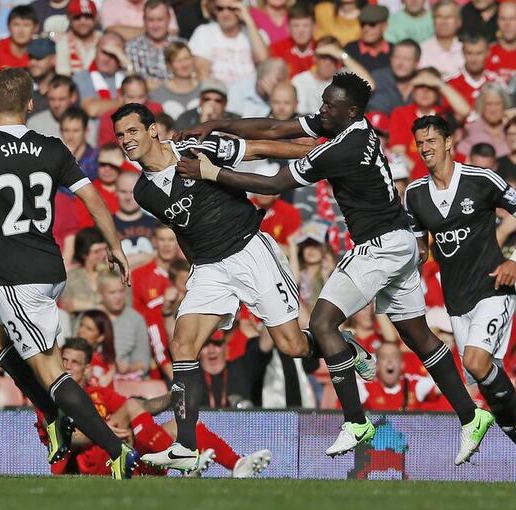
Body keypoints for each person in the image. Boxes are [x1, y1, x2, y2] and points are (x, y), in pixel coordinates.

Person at [175, 73, 492, 465]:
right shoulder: (349, 126)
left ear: (351, 111)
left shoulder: (342, 148)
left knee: (323, 324)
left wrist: (212, 173)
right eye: (323, 102)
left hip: (380, 247)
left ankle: (356, 421)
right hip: (401, 242)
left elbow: (274, 184)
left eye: (329, 105)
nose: (322, 109)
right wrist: (216, 124)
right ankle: (471, 414)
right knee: (418, 336)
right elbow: (277, 126)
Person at [0, 67, 137, 478]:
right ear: (31, 105)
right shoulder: (52, 147)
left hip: (19, 277)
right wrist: (115, 245)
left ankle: (115, 449)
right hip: (48, 266)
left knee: (50, 369)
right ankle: (52, 415)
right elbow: (91, 196)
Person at [111, 103, 349, 471]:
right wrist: (196, 270)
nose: (126, 140)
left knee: (293, 344)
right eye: (120, 135)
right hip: (209, 267)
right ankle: (186, 447)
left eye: (132, 131)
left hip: (249, 250)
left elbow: (257, 148)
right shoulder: (143, 192)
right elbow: (182, 230)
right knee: (183, 343)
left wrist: (321, 154)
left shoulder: (194, 146)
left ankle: (344, 347)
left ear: (152, 129)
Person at [404, 114, 516, 482]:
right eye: (420, 143)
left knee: (475, 362)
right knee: (487, 384)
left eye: (431, 141)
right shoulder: (414, 194)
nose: (425, 148)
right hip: (456, 300)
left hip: (493, 287)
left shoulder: (481, 180)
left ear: (448, 142)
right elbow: (422, 245)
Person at [37, 338, 272, 477]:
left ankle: (237, 464)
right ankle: (184, 462)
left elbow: (142, 406)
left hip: (121, 456)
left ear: (87, 368)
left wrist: (171, 396)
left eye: (75, 362)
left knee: (186, 425)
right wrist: (102, 431)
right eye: (64, 360)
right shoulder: (49, 398)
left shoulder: (97, 393)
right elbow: (61, 440)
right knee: (129, 409)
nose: (67, 367)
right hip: (82, 465)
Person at [131, 224, 179, 380]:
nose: (166, 245)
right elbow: (138, 316)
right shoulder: (139, 275)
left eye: (171, 240)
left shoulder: (187, 271)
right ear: (154, 242)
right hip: (153, 347)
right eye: (162, 239)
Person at [187, 0, 268, 86]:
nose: (225, 14)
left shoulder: (255, 34)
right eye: (220, 8)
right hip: (217, 95)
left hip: (249, 96)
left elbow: (263, 60)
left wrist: (248, 20)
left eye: (231, 8)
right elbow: (202, 73)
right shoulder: (204, 32)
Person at [98, 271, 152, 379]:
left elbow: (144, 361)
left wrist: (129, 367)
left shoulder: (136, 319)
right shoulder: (92, 317)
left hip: (125, 379)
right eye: (112, 292)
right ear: (101, 293)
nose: (118, 297)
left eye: (121, 291)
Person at [124, 0, 183, 81]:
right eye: (151, 20)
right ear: (144, 20)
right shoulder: (132, 48)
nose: (155, 26)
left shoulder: (182, 46)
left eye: (160, 20)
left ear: (169, 19)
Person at [113, 172, 159, 267]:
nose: (128, 197)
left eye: (132, 192)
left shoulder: (157, 224)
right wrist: (145, 257)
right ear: (115, 192)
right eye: (123, 192)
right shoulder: (106, 225)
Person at [149, 42, 201, 121]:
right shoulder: (157, 95)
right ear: (169, 65)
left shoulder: (205, 90)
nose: (184, 65)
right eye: (178, 61)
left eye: (186, 58)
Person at [367, 39, 420, 114]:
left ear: (416, 63)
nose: (400, 63)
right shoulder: (376, 78)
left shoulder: (423, 84)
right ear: (391, 59)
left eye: (406, 59)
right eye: (396, 57)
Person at [0, 5, 38, 77]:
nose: (21, 31)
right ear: (8, 26)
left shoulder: (43, 53)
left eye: (26, 25)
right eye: (16, 25)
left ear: (35, 28)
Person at [418, 0, 464, 80]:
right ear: (433, 20)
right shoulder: (421, 49)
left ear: (459, 22)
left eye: (448, 17)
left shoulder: (467, 49)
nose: (444, 22)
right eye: (439, 17)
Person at [486, 1, 516, 84]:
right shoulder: (486, 53)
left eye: (512, 19)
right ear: (497, 21)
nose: (507, 24)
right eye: (503, 19)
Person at [269, 3, 316, 78]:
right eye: (296, 26)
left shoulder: (322, 52)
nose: (301, 31)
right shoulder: (276, 50)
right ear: (288, 28)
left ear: (314, 27)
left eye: (306, 25)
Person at [55, 0, 101, 76]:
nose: (83, 22)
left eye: (87, 16)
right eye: (77, 17)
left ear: (95, 18)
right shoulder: (63, 43)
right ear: (69, 18)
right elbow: (63, 77)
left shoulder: (104, 40)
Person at [174, 78, 240, 131]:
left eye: (218, 101)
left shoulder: (236, 120)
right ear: (200, 100)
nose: (212, 104)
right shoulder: (186, 118)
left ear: (225, 103)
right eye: (207, 99)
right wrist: (204, 119)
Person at [344, 5, 391, 73]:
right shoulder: (350, 50)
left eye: (372, 24)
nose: (366, 29)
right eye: (363, 24)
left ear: (384, 26)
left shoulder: (395, 51)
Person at [26, 38, 57, 116]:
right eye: (31, 57)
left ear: (53, 59)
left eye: (39, 58)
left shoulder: (65, 86)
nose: (33, 62)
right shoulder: (21, 84)